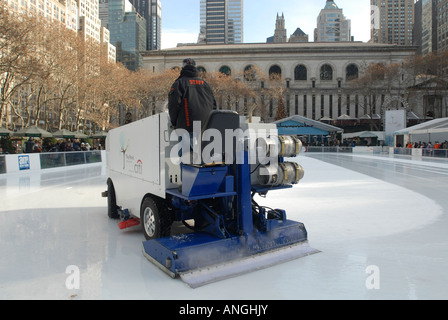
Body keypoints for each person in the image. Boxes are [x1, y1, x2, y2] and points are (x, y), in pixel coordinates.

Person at [168, 58, 217, 132]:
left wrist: (174, 123)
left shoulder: (179, 83)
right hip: (206, 127)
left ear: (182, 68)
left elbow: (174, 105)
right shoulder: (206, 85)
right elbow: (214, 106)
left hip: (186, 127)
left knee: (187, 143)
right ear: (195, 67)